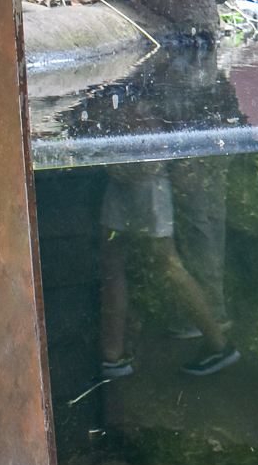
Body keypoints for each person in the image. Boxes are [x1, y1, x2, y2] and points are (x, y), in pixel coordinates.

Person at [98, 153, 239, 378]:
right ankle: (112, 356)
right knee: (114, 261)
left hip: (145, 182)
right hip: (129, 180)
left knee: (166, 263)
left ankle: (219, 344)